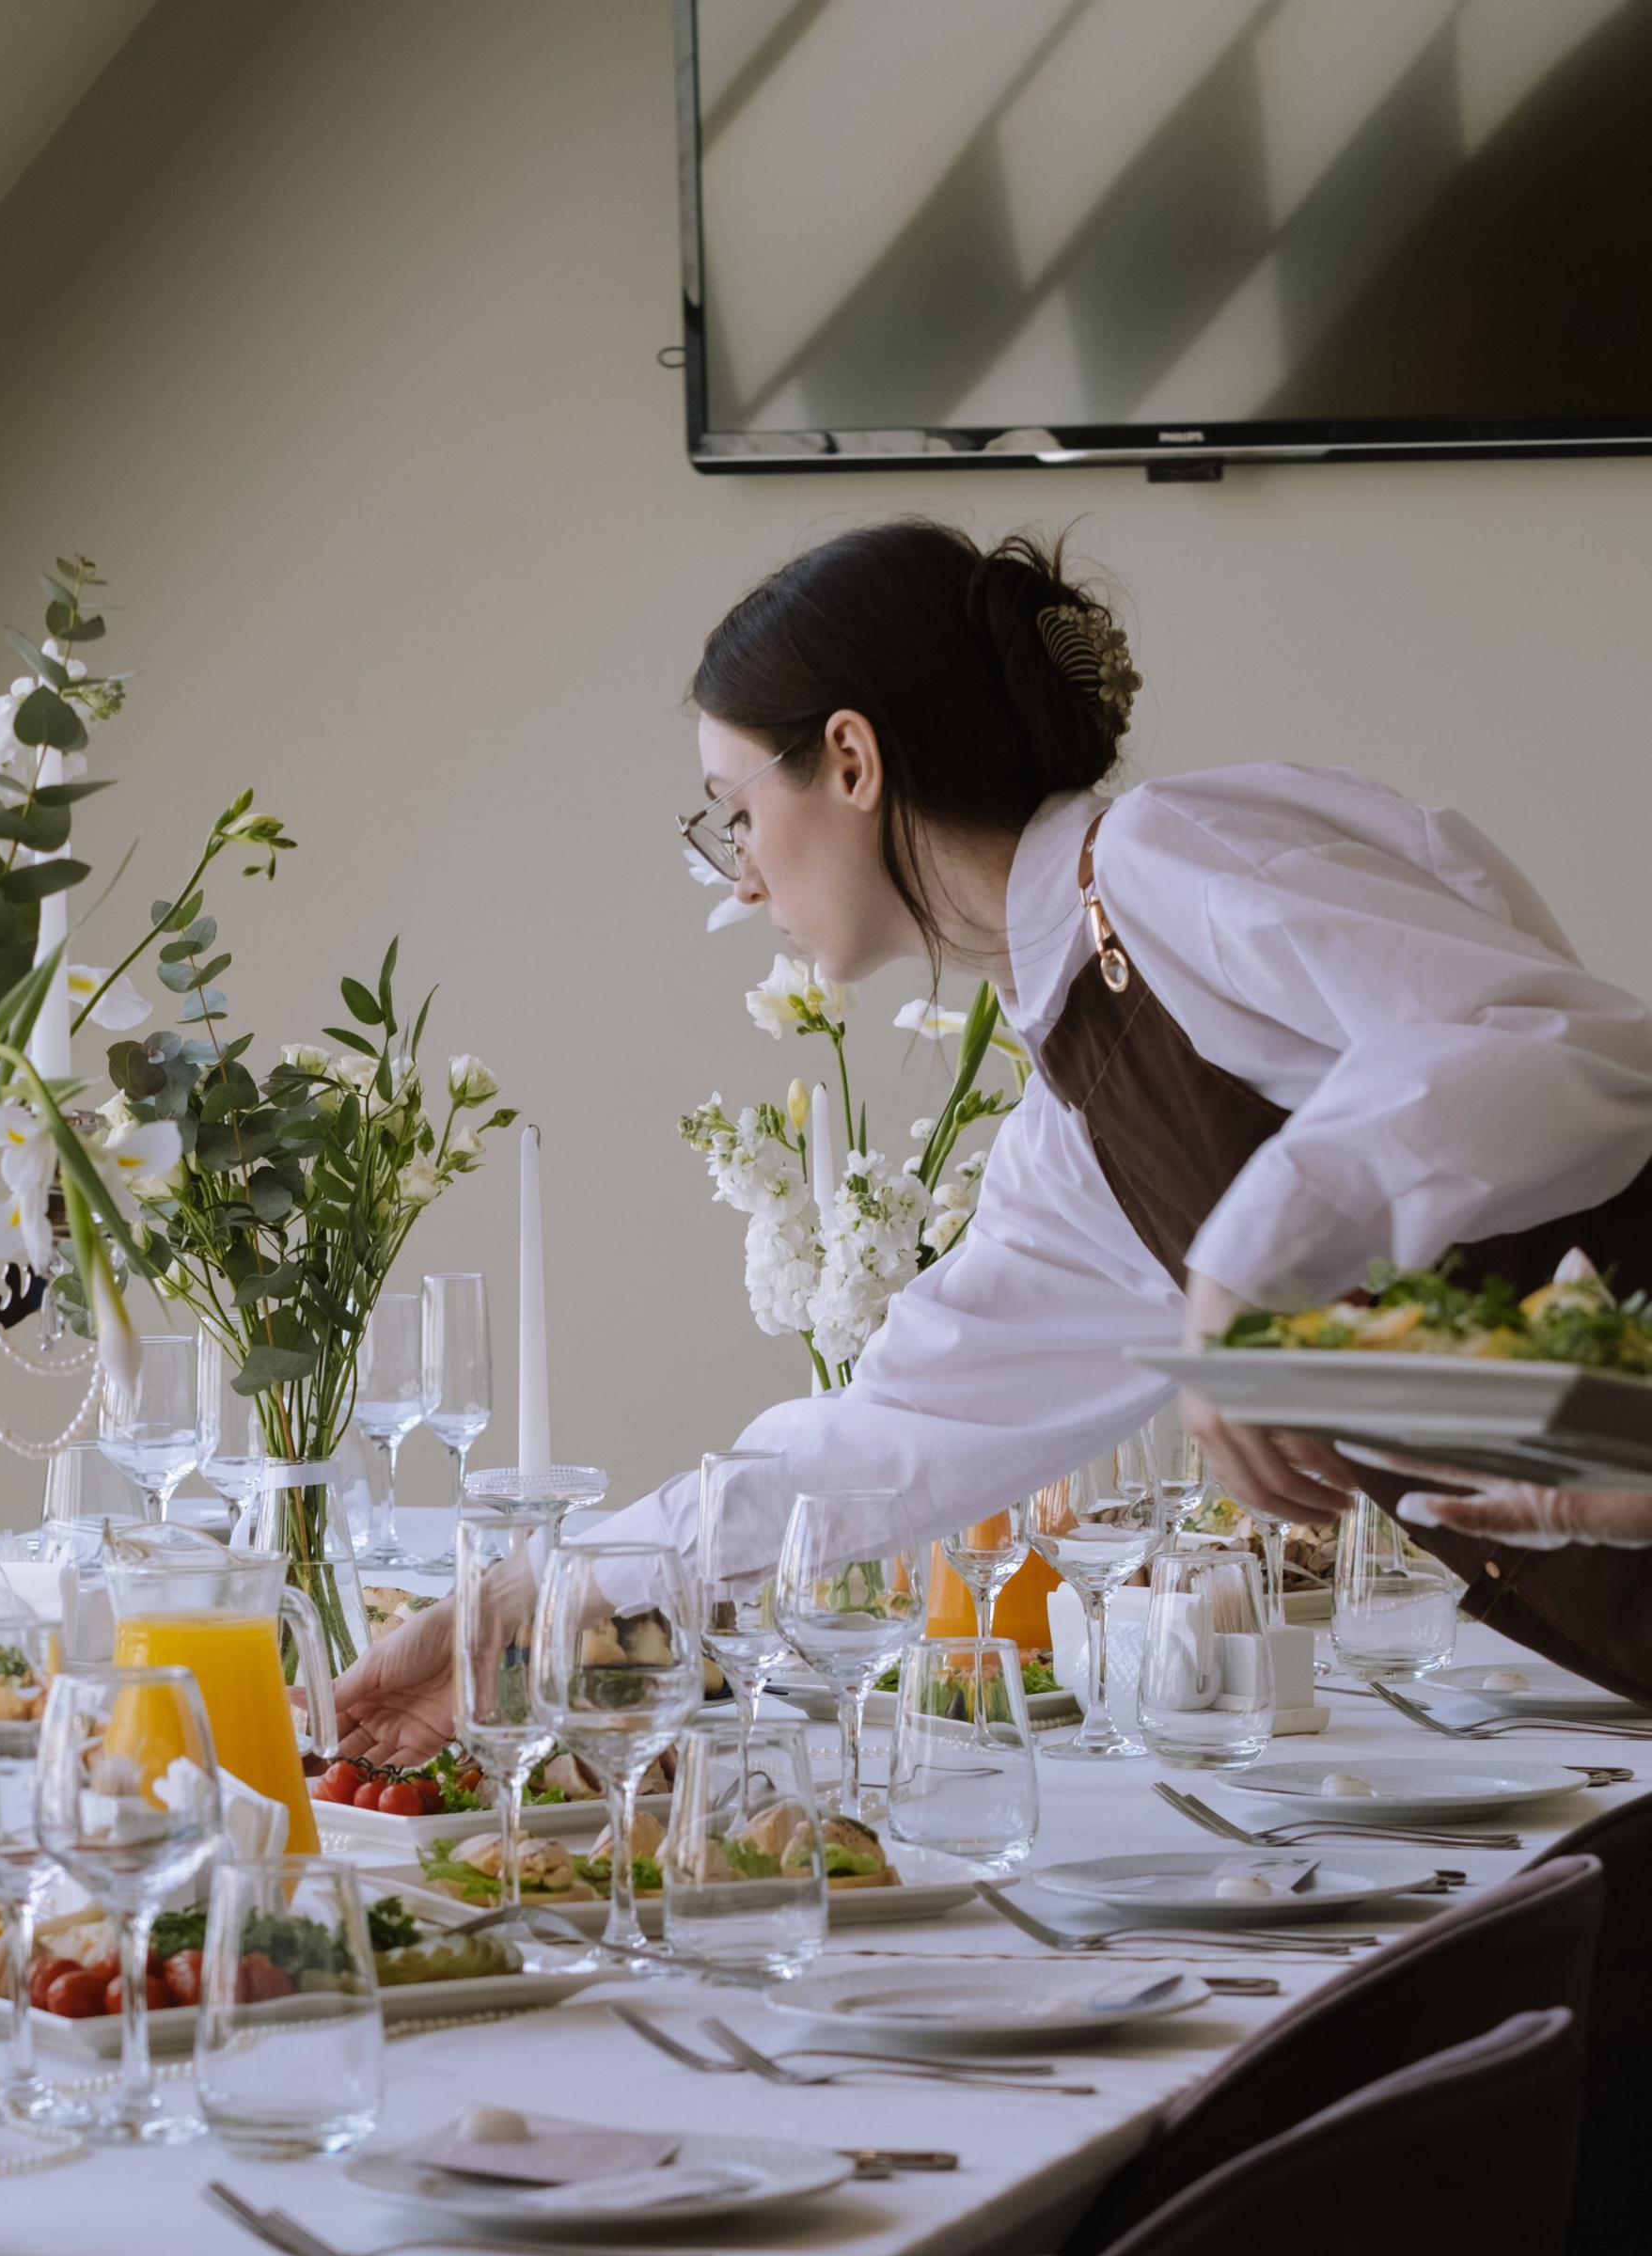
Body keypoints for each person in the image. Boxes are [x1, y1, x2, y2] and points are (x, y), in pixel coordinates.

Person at [335, 520, 1652, 1764]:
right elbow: (895, 1434)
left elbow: (1538, 1046)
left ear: (850, 760)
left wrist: (1250, 1264)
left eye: (734, 810)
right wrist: (523, 1603)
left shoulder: (1163, 858)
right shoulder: (1080, 1105)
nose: (738, 878)